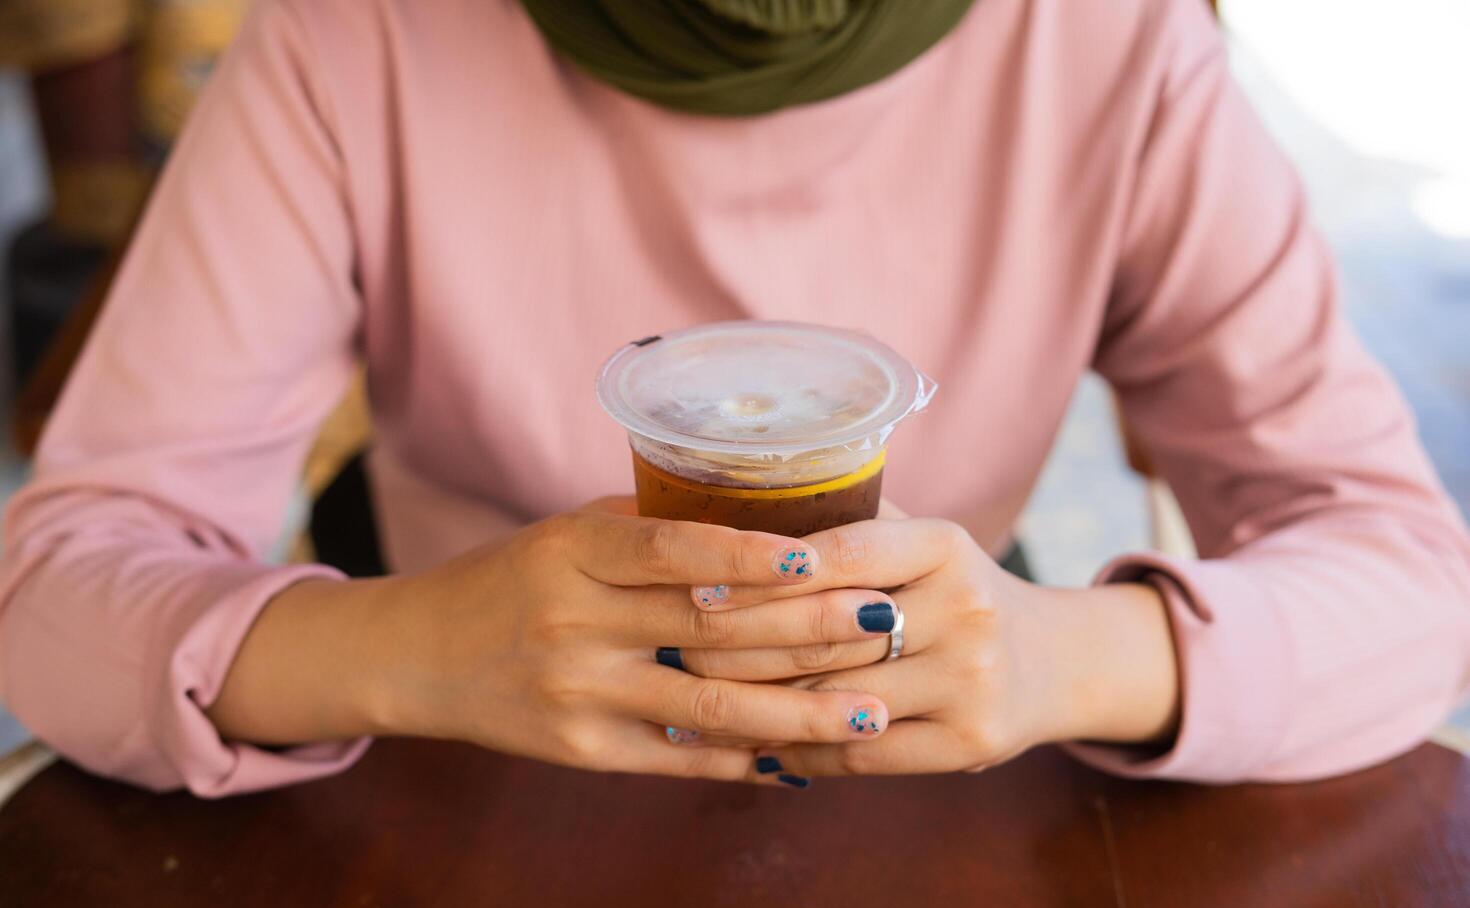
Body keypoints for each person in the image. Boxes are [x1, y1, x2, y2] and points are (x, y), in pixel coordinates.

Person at [1, 0, 1467, 797]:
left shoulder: (1120, 46)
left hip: (936, 744)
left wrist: (1058, 660)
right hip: (457, 746)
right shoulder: (352, 36)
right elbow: (54, 595)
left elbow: (1407, 585)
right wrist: (412, 642)